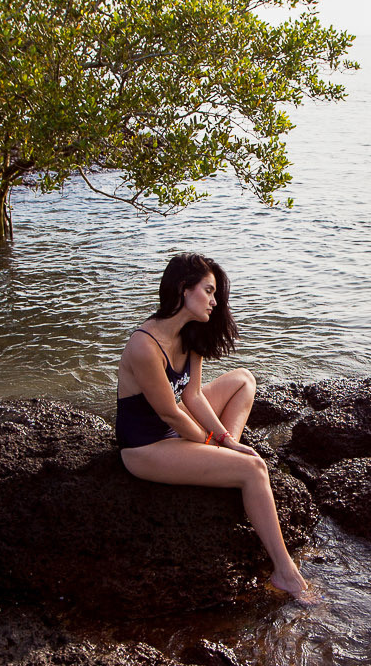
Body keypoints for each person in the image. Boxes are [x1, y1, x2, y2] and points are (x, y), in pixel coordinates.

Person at [116, 253, 315, 603]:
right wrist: (211, 442)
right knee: (253, 469)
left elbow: (192, 395)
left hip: (176, 428)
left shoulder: (190, 336)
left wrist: (224, 439)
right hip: (146, 447)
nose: (214, 301)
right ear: (183, 288)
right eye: (208, 291)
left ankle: (222, 461)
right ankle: (286, 574)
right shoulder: (144, 345)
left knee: (243, 380)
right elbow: (170, 414)